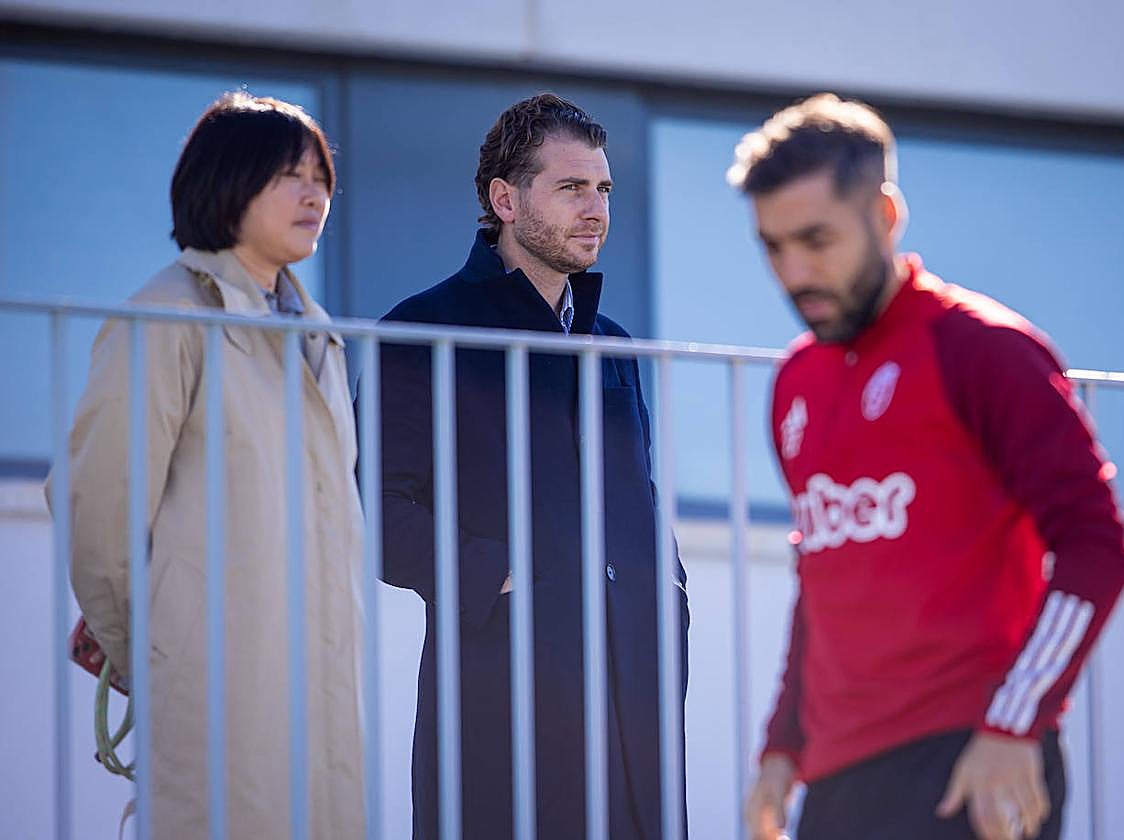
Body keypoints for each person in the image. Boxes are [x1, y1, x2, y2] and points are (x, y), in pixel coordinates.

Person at [729, 93, 1124, 840]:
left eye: (817, 239)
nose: (795, 272)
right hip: (838, 778)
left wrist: (1014, 725)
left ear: (884, 216)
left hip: (973, 764)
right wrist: (783, 746)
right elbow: (821, 579)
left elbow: (1094, 546)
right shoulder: (795, 383)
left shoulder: (983, 349)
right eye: (774, 246)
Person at [368, 92, 688, 839]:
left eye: (603, 189)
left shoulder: (614, 345)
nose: (596, 208)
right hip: (498, 689)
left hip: (633, 700)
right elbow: (374, 509)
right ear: (505, 199)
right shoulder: (423, 329)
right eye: (571, 187)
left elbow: (638, 499)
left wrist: (665, 594)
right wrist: (502, 581)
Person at [55, 92, 364, 839]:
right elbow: (100, 508)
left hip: (317, 701)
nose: (313, 193)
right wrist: (158, 659)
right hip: (212, 695)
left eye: (320, 176)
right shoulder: (167, 315)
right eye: (289, 175)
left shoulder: (319, 335)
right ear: (227, 183)